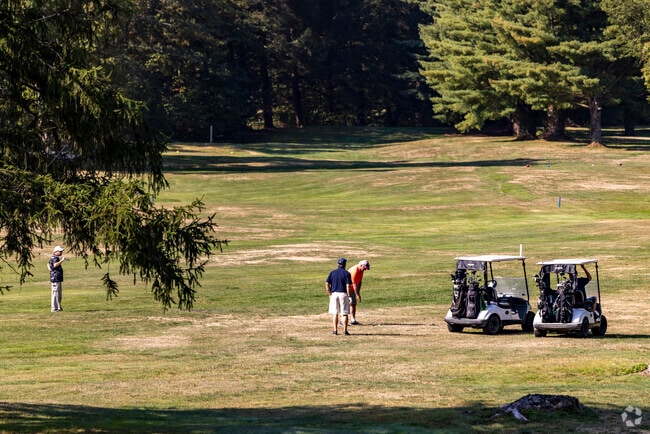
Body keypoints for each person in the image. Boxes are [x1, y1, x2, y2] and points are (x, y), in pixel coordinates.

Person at [326, 258, 352, 335]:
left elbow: (327, 284)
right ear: (344, 265)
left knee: (335, 313)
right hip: (343, 294)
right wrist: (349, 295)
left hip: (334, 294)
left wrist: (330, 294)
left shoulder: (332, 272)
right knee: (344, 313)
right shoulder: (347, 273)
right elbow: (348, 286)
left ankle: (335, 330)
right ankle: (345, 330)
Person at [347, 259, 370, 325]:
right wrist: (357, 294)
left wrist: (358, 293)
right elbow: (354, 284)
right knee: (347, 304)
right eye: (365, 268)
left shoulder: (361, 270)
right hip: (347, 288)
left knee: (353, 304)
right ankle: (343, 320)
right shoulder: (355, 271)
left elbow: (359, 282)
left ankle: (353, 320)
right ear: (361, 265)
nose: (365, 269)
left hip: (353, 288)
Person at [48, 245, 66, 312]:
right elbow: (55, 265)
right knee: (55, 294)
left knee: (58, 294)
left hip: (57, 278)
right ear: (56, 251)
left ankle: (58, 307)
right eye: (60, 251)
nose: (61, 252)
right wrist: (62, 260)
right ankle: (54, 308)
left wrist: (51, 271)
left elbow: (48, 264)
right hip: (55, 279)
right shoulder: (55, 258)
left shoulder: (54, 258)